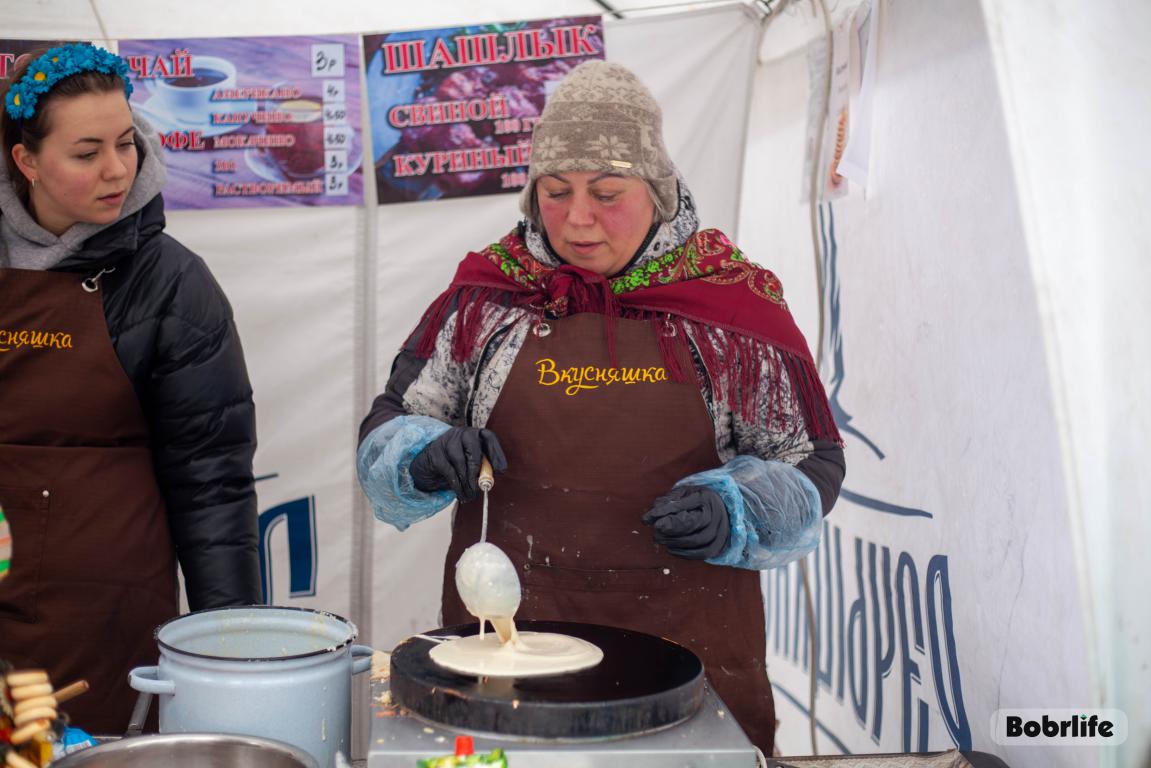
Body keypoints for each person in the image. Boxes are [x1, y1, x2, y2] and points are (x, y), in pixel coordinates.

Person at [357, 60, 845, 754]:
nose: (578, 218)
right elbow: (389, 427)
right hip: (505, 655)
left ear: (658, 191)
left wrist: (737, 510)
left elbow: (809, 461)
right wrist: (423, 454)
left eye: (607, 193)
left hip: (690, 660)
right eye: (555, 192)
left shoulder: (730, 308)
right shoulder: (487, 300)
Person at [0, 44, 260, 734]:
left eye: (125, 142)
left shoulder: (170, 284)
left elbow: (213, 484)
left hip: (105, 618)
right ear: (26, 161)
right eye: (86, 153)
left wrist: (232, 652)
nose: (117, 169)